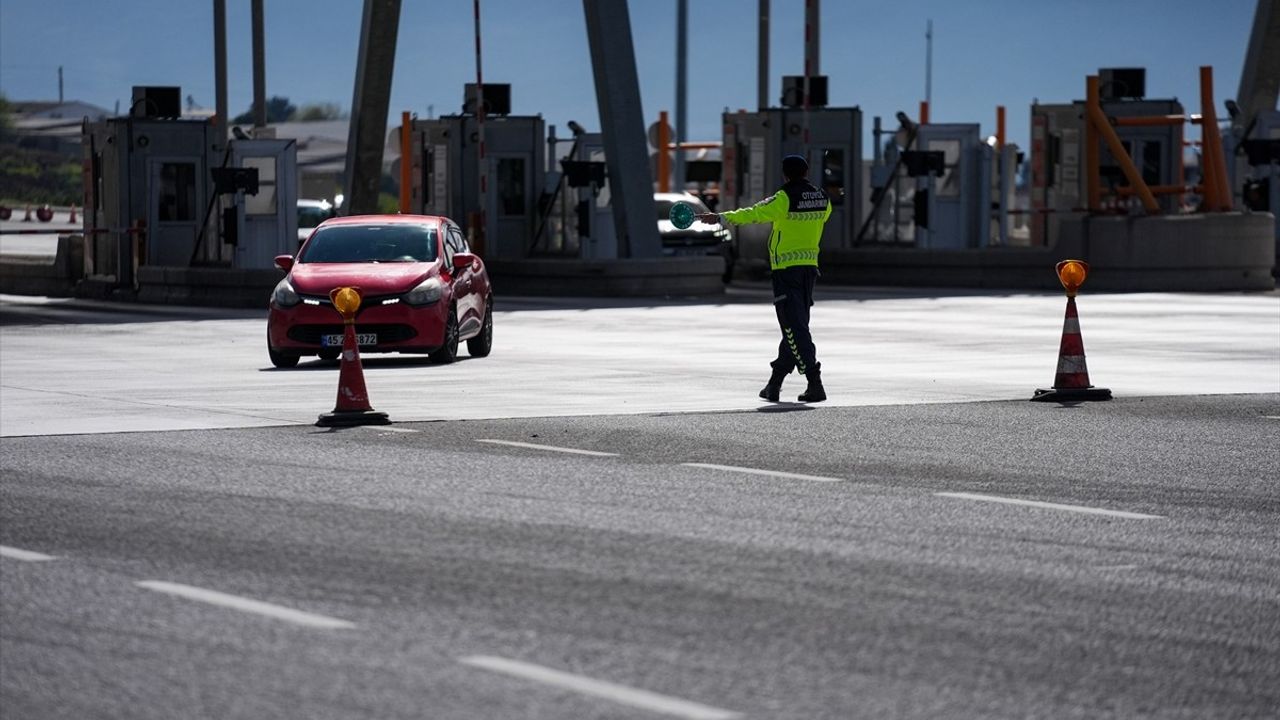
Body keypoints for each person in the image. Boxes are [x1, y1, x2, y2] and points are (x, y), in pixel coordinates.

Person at [697, 154, 832, 402]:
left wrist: (721, 217)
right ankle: (774, 384)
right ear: (806, 172)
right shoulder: (822, 198)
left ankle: (815, 382)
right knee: (794, 326)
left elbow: (755, 213)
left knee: (794, 328)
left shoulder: (785, 197)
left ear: (785, 174)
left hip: (787, 270)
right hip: (809, 269)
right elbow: (821, 220)